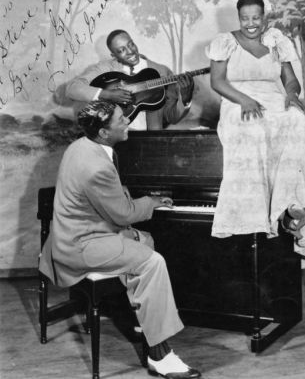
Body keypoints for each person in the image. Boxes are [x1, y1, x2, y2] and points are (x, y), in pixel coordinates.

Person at [38, 100, 201, 378]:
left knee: (145, 240)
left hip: (72, 234)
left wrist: (137, 199)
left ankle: (146, 323)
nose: (127, 121)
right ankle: (160, 357)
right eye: (120, 120)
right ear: (103, 132)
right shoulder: (95, 166)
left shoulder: (80, 146)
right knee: (153, 262)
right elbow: (123, 214)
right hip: (81, 245)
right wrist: (151, 200)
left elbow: (108, 199)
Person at [206, 0, 305, 266]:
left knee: (295, 119)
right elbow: (217, 82)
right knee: (254, 127)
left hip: (273, 98)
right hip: (237, 100)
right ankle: (254, 214)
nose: (250, 23)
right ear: (239, 18)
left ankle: (291, 203)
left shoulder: (275, 40)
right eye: (245, 18)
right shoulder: (225, 42)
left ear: (264, 17)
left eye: (255, 17)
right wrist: (244, 100)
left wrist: (292, 95)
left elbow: (291, 81)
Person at [66, 29, 194, 130]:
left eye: (131, 44)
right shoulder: (104, 69)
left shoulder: (162, 72)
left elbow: (171, 117)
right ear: (113, 55)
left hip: (151, 142)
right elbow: (72, 89)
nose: (130, 52)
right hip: (114, 140)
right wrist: (107, 94)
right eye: (121, 50)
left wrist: (185, 99)